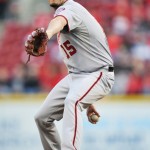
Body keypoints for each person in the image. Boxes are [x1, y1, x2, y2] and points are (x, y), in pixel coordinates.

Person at [34, 0, 115, 150]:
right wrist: (88, 101)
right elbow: (79, 63)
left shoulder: (70, 8)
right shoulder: (67, 14)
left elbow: (59, 21)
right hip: (79, 76)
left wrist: (47, 33)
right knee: (42, 118)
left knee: (72, 101)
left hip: (99, 73)